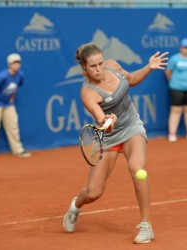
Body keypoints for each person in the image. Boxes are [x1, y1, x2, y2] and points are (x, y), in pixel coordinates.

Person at [63, 43, 168, 244]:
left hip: (131, 128)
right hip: (108, 137)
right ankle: (75, 205)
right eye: (93, 66)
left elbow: (132, 79)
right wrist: (107, 122)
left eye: (100, 63)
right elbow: (101, 121)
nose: (99, 68)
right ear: (85, 68)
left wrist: (149, 66)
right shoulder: (88, 92)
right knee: (94, 192)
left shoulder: (113, 66)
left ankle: (146, 226)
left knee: (137, 168)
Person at [0, 53, 31, 160]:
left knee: (13, 126)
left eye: (18, 62)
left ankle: (18, 150)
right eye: (14, 63)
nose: (17, 65)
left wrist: (12, 97)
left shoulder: (20, 75)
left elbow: (15, 86)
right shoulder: (3, 75)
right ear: (9, 64)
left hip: (7, 104)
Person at [165, 38, 187, 142]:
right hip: (176, 88)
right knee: (176, 110)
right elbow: (168, 72)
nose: (186, 49)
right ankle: (172, 134)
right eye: (185, 47)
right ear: (180, 48)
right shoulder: (174, 59)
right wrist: (176, 82)